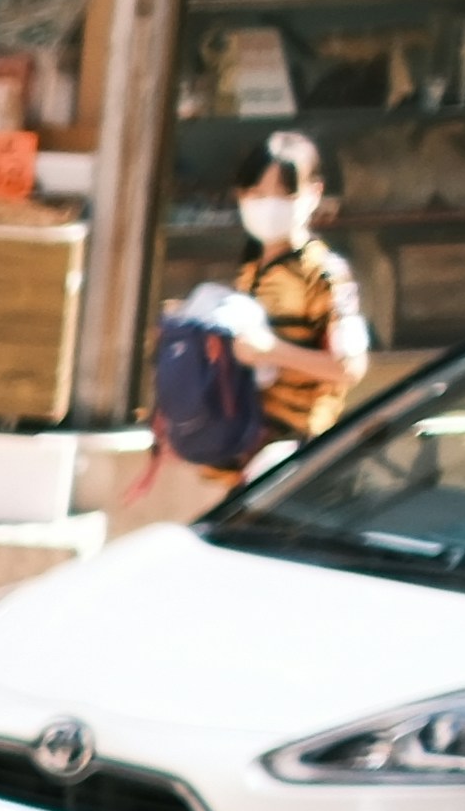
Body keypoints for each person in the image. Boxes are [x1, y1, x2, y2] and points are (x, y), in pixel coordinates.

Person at [139, 130, 376, 521]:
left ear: (314, 193)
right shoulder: (251, 271)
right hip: (244, 453)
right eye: (257, 193)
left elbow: (351, 366)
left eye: (285, 194)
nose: (269, 205)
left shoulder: (326, 276)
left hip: (292, 459)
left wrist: (272, 351)